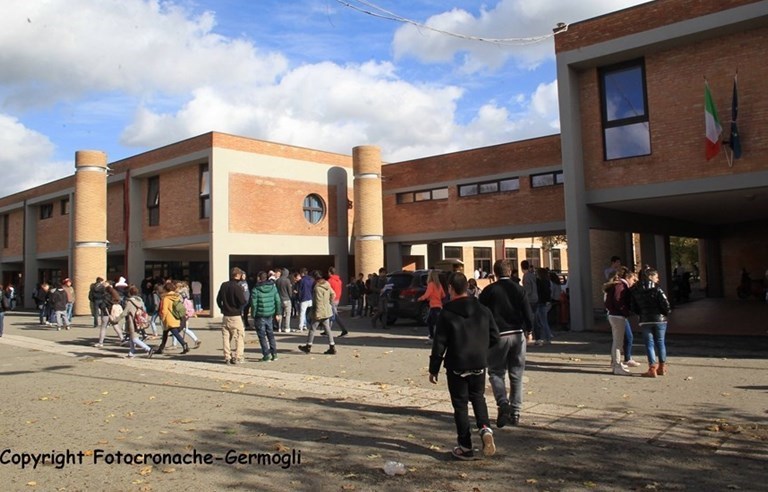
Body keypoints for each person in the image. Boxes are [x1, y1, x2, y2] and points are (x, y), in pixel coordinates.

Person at [429, 272, 499, 460]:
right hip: (478, 361)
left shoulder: (447, 312)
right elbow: (495, 336)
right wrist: (482, 350)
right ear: (467, 287)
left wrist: (433, 368)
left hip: (456, 363)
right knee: (478, 397)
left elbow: (440, 342)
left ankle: (465, 446)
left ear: (451, 288)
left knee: (460, 405)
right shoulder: (483, 309)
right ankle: (485, 428)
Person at [479, 259, 534, 427]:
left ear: (495, 273)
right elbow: (527, 312)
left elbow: (481, 314)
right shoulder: (519, 289)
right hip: (517, 334)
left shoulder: (488, 291)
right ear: (510, 271)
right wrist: (529, 330)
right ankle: (516, 412)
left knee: (496, 372)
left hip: (497, 335)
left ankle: (503, 403)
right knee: (517, 374)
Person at [630, 268, 671, 378]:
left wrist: (641, 313)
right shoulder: (657, 289)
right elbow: (666, 304)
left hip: (645, 319)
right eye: (656, 276)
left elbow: (633, 306)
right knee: (660, 342)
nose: (658, 279)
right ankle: (662, 367)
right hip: (659, 319)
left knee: (649, 344)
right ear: (650, 276)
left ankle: (652, 368)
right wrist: (664, 313)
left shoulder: (635, 289)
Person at [603, 267, 638, 376]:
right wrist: (625, 311)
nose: (633, 282)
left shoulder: (617, 285)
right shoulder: (621, 286)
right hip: (617, 316)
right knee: (618, 343)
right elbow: (618, 300)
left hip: (615, 315)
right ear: (627, 278)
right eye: (633, 279)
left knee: (617, 342)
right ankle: (617, 366)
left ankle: (616, 364)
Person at [298, 270, 337, 355]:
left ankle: (308, 346)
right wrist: (329, 303)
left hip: (319, 311)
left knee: (312, 329)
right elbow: (333, 294)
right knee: (328, 329)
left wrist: (317, 314)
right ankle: (332, 346)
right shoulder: (327, 284)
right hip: (327, 310)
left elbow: (318, 302)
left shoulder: (317, 288)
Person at [113, 285, 155, 358]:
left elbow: (124, 313)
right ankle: (131, 353)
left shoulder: (130, 302)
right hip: (139, 321)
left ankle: (148, 349)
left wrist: (116, 320)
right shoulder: (140, 301)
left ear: (129, 293)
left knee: (134, 338)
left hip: (132, 322)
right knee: (133, 338)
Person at [217, 267, 247, 364]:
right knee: (239, 336)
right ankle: (238, 356)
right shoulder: (237, 287)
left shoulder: (224, 285)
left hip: (226, 315)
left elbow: (218, 299)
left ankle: (227, 356)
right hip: (235, 315)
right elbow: (242, 301)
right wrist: (239, 308)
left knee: (226, 337)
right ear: (238, 275)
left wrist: (222, 308)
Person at [251, 271, 282, 362]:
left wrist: (253, 314)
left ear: (259, 278)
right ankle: (274, 354)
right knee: (270, 334)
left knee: (262, 335)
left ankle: (266, 354)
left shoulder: (255, 289)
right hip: (270, 314)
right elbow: (277, 301)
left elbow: (254, 304)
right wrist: (278, 312)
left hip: (260, 315)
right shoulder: (273, 288)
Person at [154, 281, 189, 356]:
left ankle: (184, 344)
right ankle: (161, 348)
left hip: (169, 319)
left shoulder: (166, 298)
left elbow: (164, 310)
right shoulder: (176, 296)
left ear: (165, 290)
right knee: (165, 334)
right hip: (175, 318)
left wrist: (162, 318)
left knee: (174, 333)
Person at [418, 270, 446, 341]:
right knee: (433, 322)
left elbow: (427, 294)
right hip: (439, 306)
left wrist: (421, 298)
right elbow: (443, 295)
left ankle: (434, 337)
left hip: (433, 306)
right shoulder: (439, 285)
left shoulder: (431, 284)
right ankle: (434, 336)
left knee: (431, 322)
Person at [327, 266, 348, 337]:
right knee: (332, 314)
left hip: (332, 299)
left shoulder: (330, 281)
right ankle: (327, 330)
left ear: (330, 273)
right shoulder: (339, 281)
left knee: (334, 315)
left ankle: (343, 329)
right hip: (337, 299)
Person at [275, 268, 293, 333]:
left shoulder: (277, 281)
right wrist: (291, 296)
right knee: (288, 314)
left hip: (279, 299)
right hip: (287, 299)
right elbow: (290, 291)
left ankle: (279, 327)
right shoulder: (287, 280)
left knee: (280, 314)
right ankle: (287, 327)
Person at [297, 268, 314, 332]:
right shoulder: (312, 280)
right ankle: (310, 325)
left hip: (304, 299)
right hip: (311, 298)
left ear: (302, 273)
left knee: (302, 313)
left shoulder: (302, 281)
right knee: (309, 313)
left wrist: (299, 298)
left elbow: (300, 291)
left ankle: (301, 326)